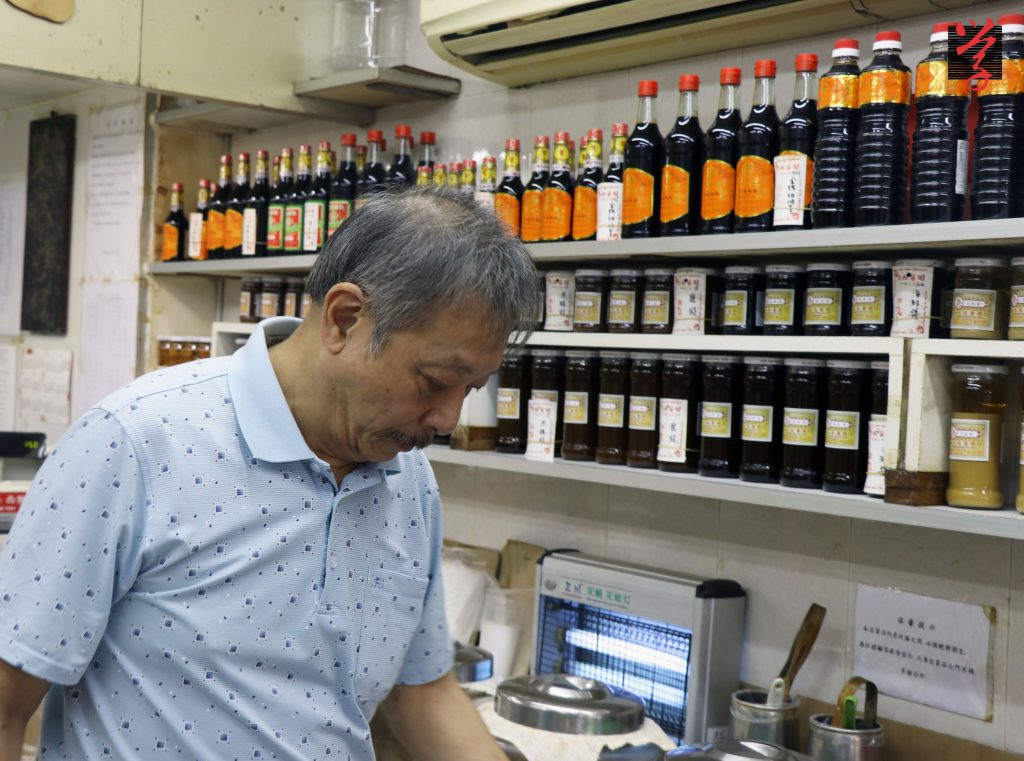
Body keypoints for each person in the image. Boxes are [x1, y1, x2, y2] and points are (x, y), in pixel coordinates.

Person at [0, 187, 538, 761]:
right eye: (434, 381)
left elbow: (421, 691)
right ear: (344, 318)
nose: (448, 418)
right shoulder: (135, 443)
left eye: (472, 389)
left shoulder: (410, 483)